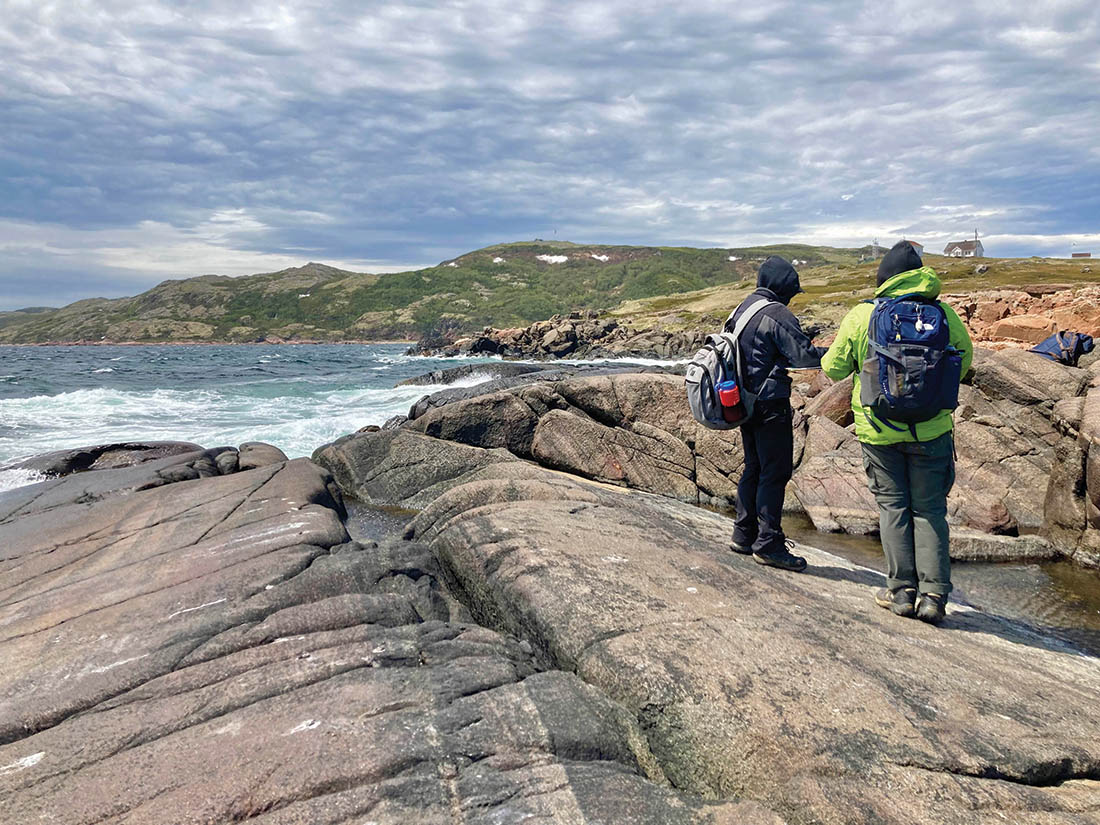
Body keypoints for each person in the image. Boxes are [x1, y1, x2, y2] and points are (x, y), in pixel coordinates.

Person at [820, 240, 973, 624]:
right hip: (933, 430)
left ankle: (901, 592)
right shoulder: (942, 313)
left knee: (893, 507)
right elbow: (965, 359)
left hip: (879, 429)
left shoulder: (863, 315)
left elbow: (834, 368)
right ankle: (935, 596)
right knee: (930, 510)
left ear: (883, 278)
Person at [727, 256, 824, 571]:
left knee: (753, 466)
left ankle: (744, 534)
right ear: (784, 288)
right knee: (775, 471)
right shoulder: (778, 313)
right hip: (769, 403)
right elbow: (805, 357)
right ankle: (769, 544)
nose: (793, 298)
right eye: (793, 292)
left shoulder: (743, 308)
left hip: (743, 401)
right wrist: (830, 353)